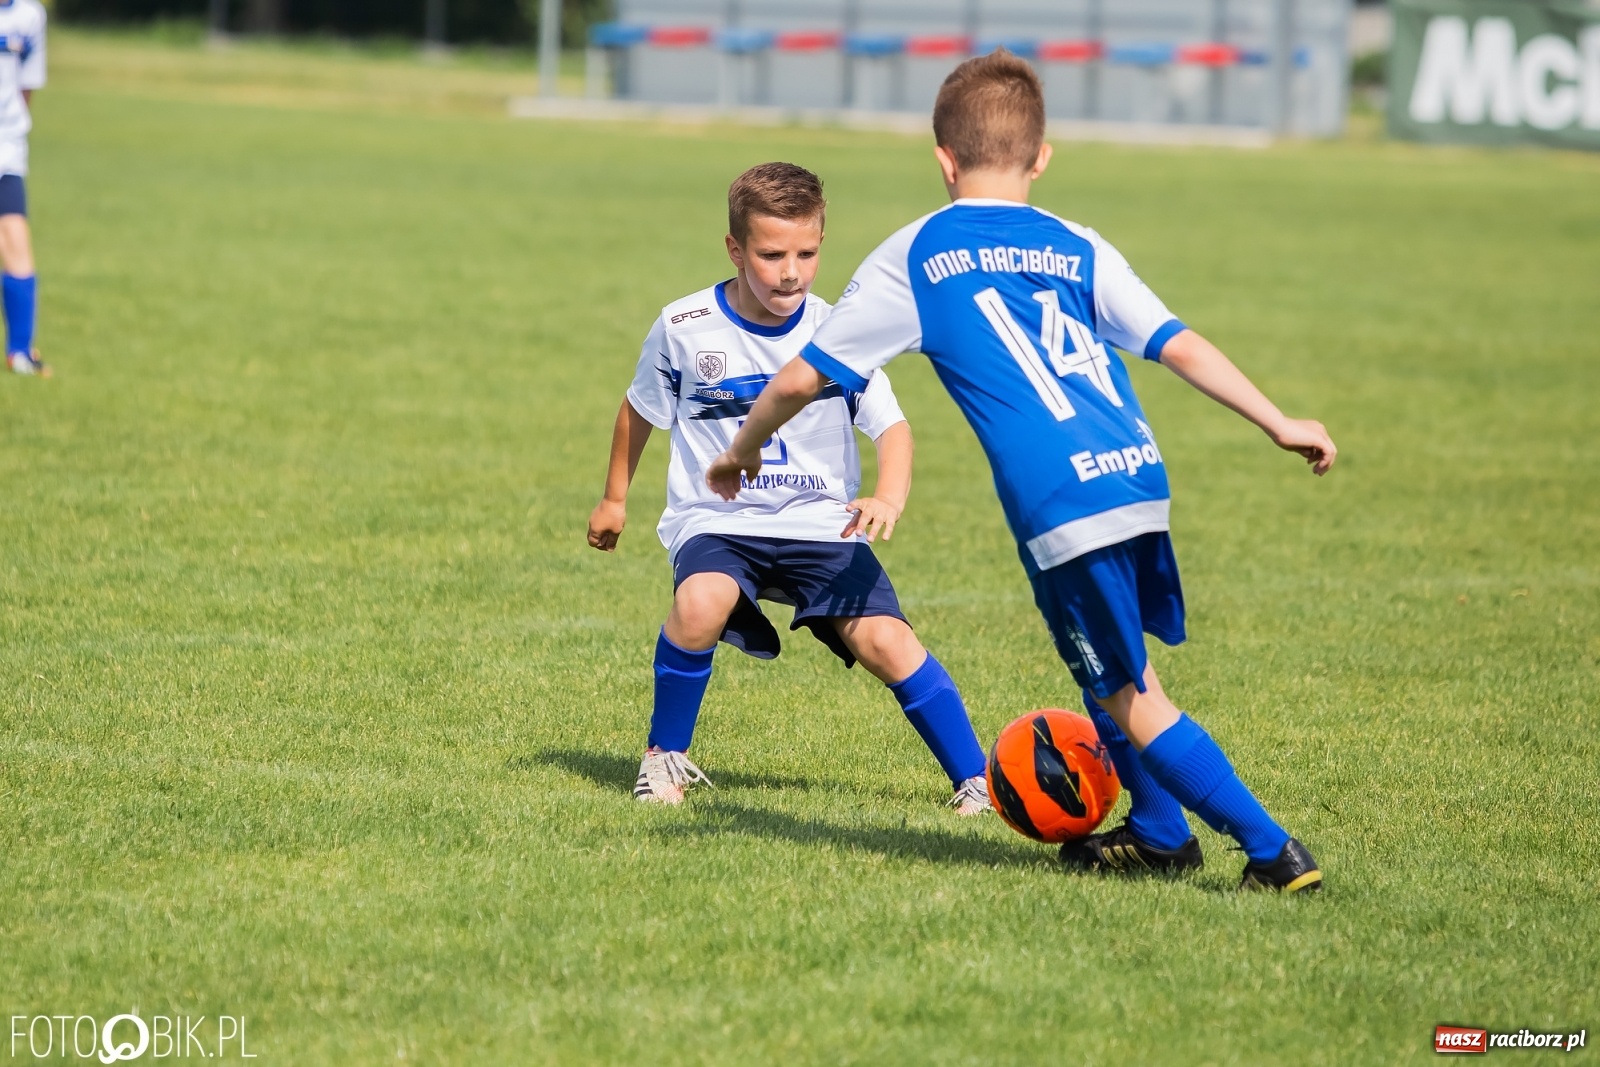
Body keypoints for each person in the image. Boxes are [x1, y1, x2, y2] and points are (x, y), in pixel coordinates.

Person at [706, 54, 1337, 892]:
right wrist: (1278, 419)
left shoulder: (918, 252)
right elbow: (1176, 341)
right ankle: (1157, 832)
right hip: (1136, 472)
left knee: (1132, 695)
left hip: (1061, 498)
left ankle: (1274, 852)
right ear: (1042, 157)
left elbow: (797, 377)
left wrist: (743, 449)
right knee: (1106, 667)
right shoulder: (1078, 243)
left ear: (942, 158)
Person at [587, 161, 991, 814]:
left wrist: (888, 495)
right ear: (735, 249)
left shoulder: (839, 332)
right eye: (772, 254)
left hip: (818, 523)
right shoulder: (685, 325)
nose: (791, 271)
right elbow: (638, 410)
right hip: (718, 520)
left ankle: (978, 779)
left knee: (887, 643)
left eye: (806, 252)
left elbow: (894, 428)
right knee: (700, 603)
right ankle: (662, 760)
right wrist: (614, 498)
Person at [0, 0, 46, 376]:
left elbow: (26, 87)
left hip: (5, 148)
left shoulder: (29, 17)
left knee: (16, 239)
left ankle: (19, 352)